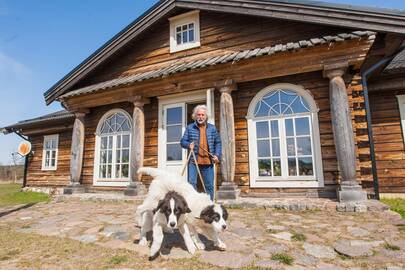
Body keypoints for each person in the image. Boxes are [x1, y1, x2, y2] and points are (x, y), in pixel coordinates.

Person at [180, 105, 221, 201]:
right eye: (198, 115)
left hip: (208, 161)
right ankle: (193, 205)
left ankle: (209, 206)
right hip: (193, 161)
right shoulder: (190, 128)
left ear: (206, 116)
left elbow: (218, 142)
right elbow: (182, 141)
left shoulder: (212, 128)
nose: (200, 117)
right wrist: (188, 144)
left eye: (203, 115)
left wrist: (216, 155)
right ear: (195, 116)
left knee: (209, 186)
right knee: (191, 184)